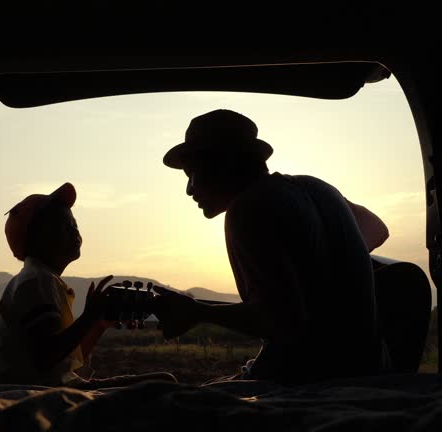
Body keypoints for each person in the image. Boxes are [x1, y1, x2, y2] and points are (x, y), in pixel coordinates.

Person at [154, 109, 391, 384]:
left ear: (221, 164)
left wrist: (198, 312)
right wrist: (329, 257)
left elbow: (284, 322)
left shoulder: (248, 208)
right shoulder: (317, 188)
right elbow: (377, 228)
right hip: (372, 372)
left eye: (191, 174)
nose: (189, 190)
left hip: (308, 386)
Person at [0, 182, 176, 388]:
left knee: (162, 382)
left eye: (75, 225)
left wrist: (97, 324)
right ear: (39, 236)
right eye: (65, 225)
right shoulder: (38, 282)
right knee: (164, 382)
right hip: (44, 393)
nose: (75, 232)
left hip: (55, 386)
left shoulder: (39, 279)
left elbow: (64, 363)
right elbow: (45, 357)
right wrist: (88, 317)